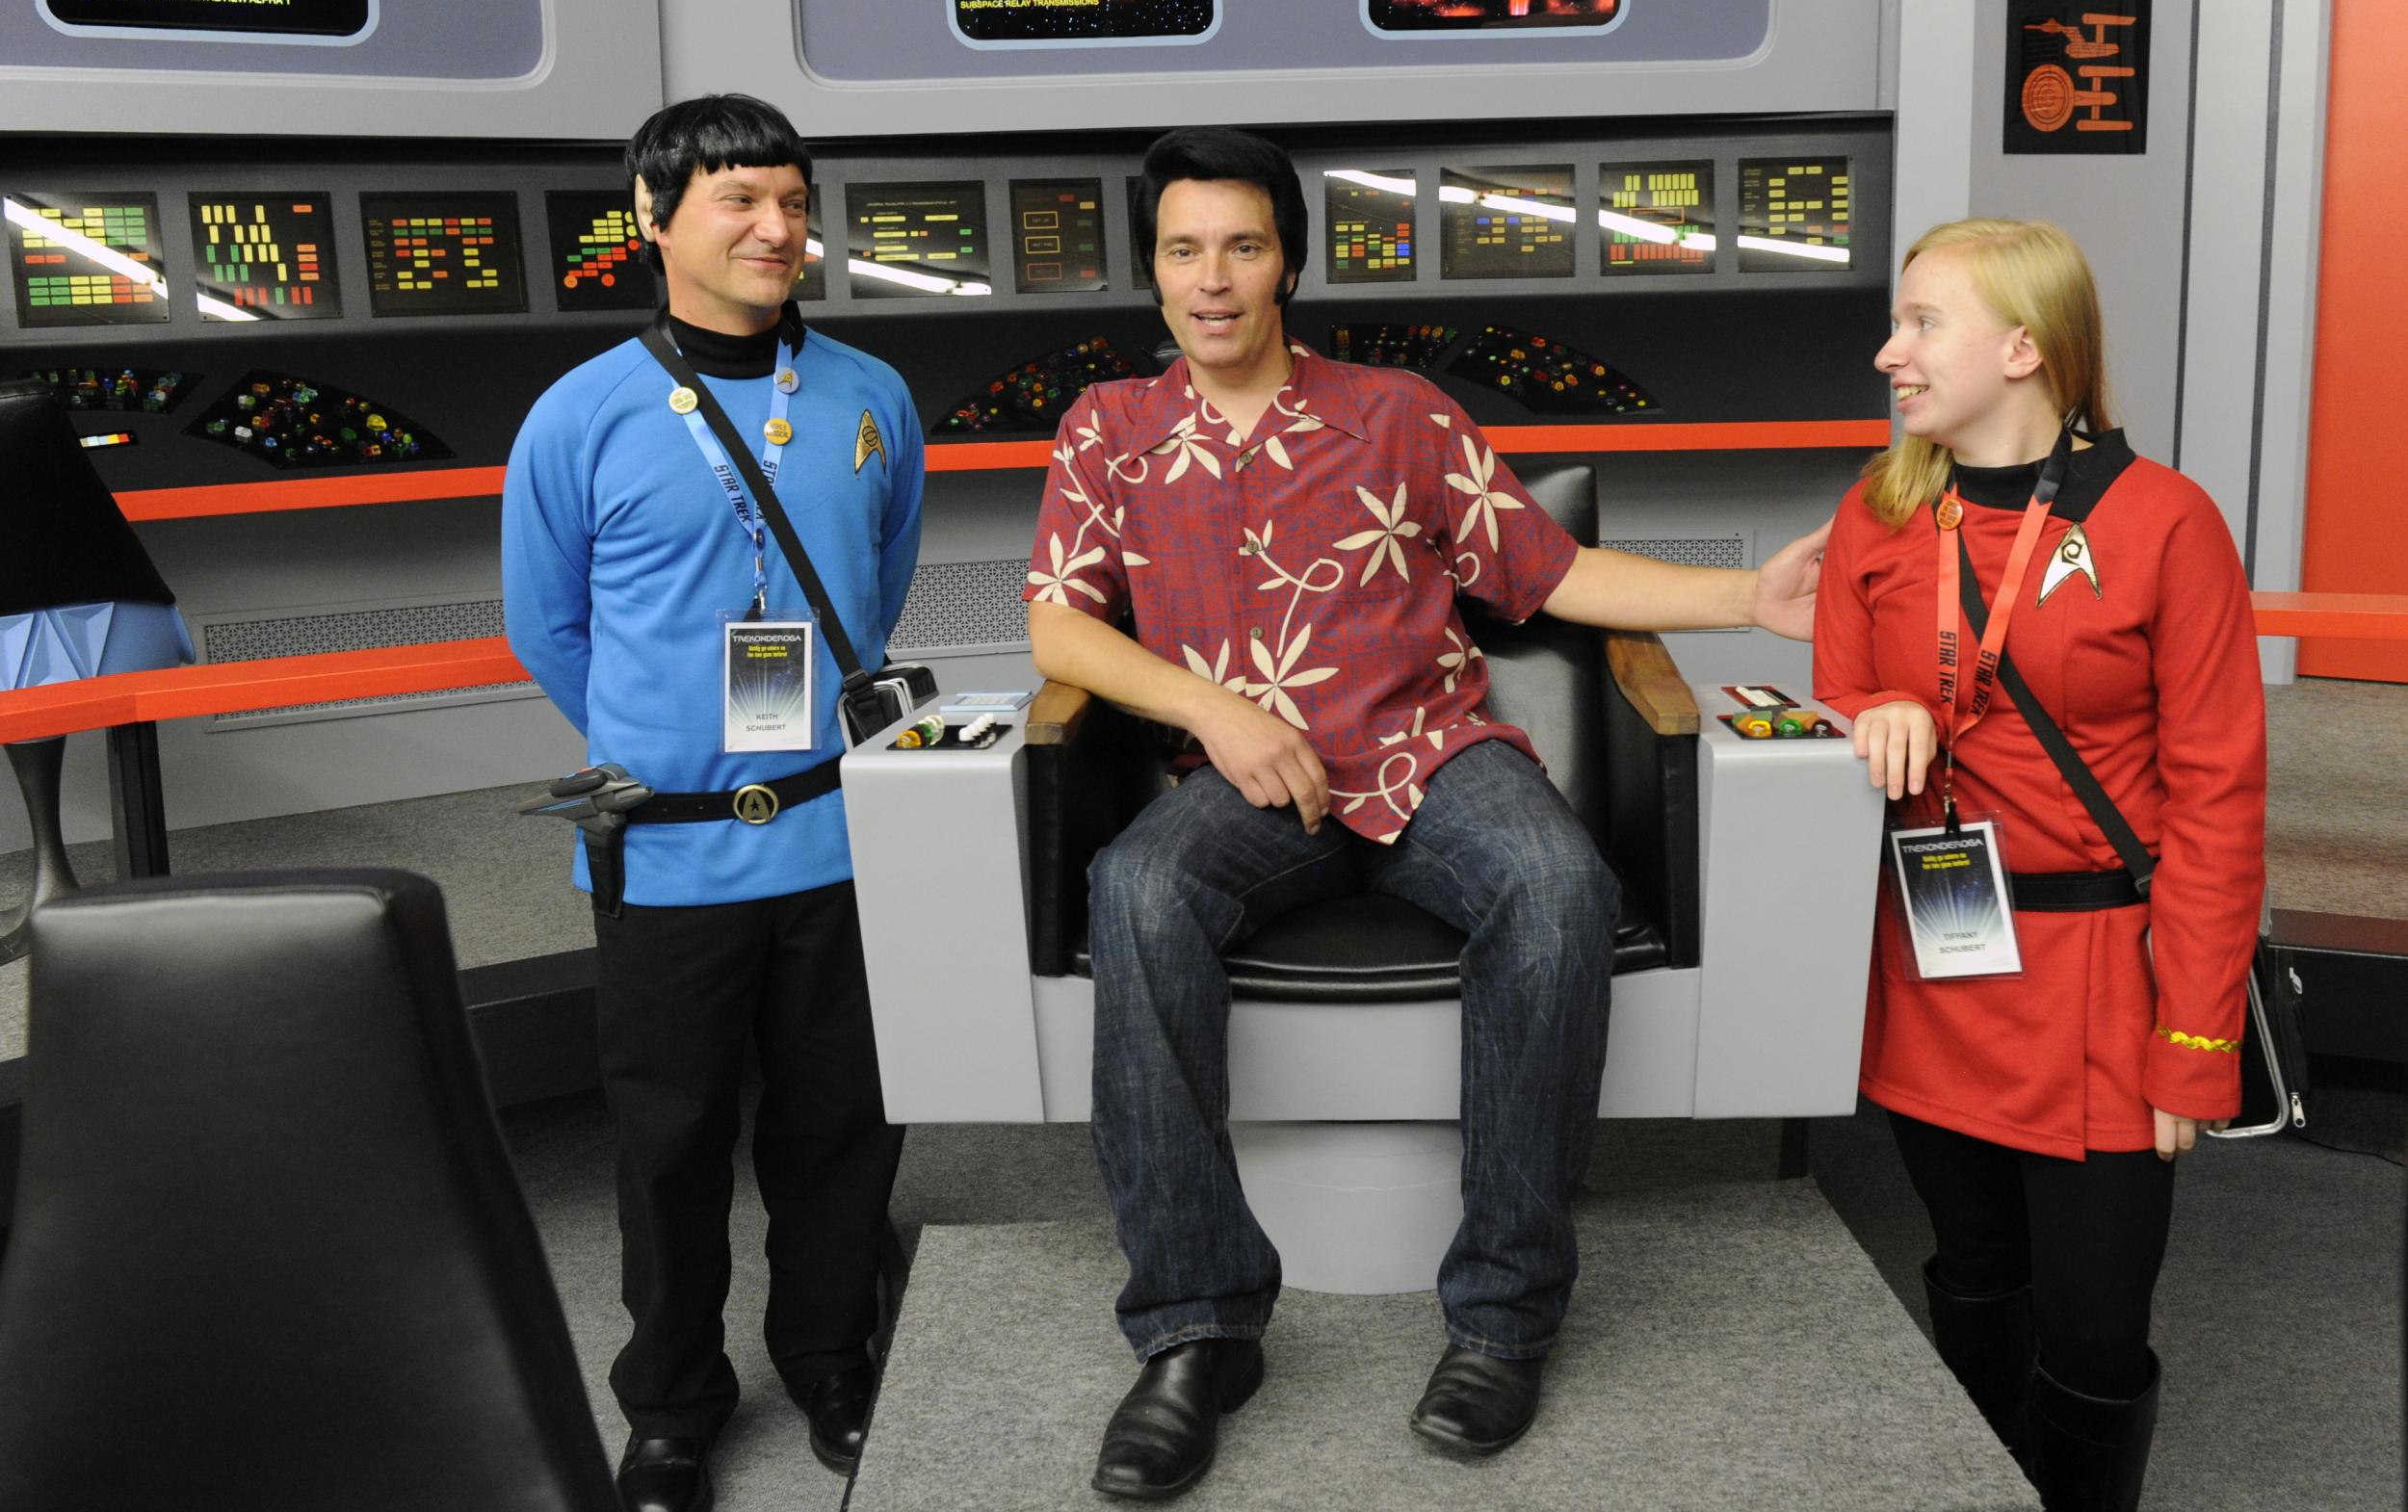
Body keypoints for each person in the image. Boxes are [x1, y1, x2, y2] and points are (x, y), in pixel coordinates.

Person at [1022, 125, 1827, 1499]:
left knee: (1558, 884)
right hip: (1240, 781)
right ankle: (1198, 1330)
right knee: (1137, 890)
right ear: (1150, 270)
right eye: (1184, 250)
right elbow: (1057, 626)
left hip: (1429, 754)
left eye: (1244, 246)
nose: (1213, 279)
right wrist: (1214, 709)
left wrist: (1743, 596)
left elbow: (1550, 570)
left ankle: (1505, 1314)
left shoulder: (1397, 411)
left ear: (1288, 263)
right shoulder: (1112, 427)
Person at [503, 92, 923, 1511]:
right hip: (668, 854)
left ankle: (832, 1357)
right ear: (651, 214)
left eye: (795, 201)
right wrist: (671, 749)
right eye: (741, 199)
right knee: (669, 1145)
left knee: (840, 1125)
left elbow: (879, 581)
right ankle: (674, 1403)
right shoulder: (582, 415)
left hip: (840, 833)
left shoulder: (870, 394)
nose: (776, 227)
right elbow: (546, 627)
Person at [1813, 219, 2264, 1512]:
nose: (1891, 350)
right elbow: (1841, 678)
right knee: (1968, 1267)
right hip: (1942, 961)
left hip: (2109, 989)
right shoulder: (1882, 507)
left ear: (2023, 346)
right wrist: (1866, 711)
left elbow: (2221, 797)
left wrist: (2196, 1038)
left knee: (2094, 1331)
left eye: (1922, 323)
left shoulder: (2167, 523)